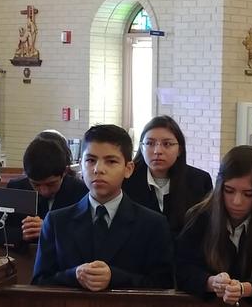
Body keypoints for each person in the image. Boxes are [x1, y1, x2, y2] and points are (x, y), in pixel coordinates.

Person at [33, 124, 174, 290]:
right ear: (80, 166)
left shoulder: (152, 224)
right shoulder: (57, 221)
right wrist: (74, 274)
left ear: (128, 169)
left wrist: (114, 277)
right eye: (91, 160)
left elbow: (164, 285)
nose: (98, 169)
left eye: (111, 161)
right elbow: (39, 283)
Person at [176, 146, 252, 304]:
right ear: (219, 186)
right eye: (229, 191)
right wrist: (212, 282)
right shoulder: (199, 216)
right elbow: (184, 269)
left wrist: (245, 289)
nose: (237, 202)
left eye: (248, 194)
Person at [123, 115, 214, 234]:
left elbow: (205, 230)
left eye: (167, 144)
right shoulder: (126, 179)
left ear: (179, 150)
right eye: (150, 143)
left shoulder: (200, 181)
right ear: (141, 147)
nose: (157, 151)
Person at [7, 134, 88, 244]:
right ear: (27, 175)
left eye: (51, 184)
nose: (44, 191)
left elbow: (87, 236)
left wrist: (52, 230)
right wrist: (23, 234)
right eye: (36, 185)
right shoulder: (16, 188)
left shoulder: (81, 192)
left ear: (64, 172)